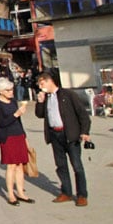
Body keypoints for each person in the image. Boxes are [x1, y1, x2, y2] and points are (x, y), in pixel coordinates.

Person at [34, 69, 92, 206]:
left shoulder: (68, 94)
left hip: (70, 134)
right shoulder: (46, 98)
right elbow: (40, 114)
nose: (40, 85)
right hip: (55, 135)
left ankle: (82, 195)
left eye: (42, 82)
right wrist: (40, 102)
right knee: (61, 166)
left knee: (77, 166)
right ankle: (66, 192)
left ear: (50, 81)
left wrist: (85, 131)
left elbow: (83, 114)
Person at [0, 77, 32, 205]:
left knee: (20, 164)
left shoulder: (13, 101)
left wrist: (24, 136)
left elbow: (19, 122)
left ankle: (20, 192)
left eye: (11, 89)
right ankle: (10, 194)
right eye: (8, 90)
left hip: (18, 134)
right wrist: (16, 114)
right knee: (11, 165)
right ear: (1, 91)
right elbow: (1, 122)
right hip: (7, 136)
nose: (11, 92)